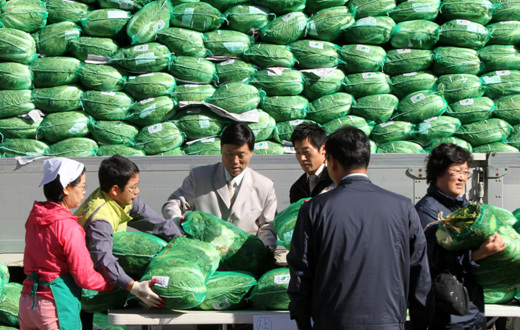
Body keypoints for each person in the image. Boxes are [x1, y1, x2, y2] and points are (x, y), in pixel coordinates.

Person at [287, 126, 431, 330]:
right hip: (388, 321)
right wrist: (419, 321)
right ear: (367, 161)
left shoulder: (314, 209)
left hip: (333, 322)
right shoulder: (403, 207)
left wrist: (302, 320)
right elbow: (419, 272)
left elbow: (301, 271)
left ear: (332, 162)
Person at [415, 143, 506, 329]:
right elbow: (433, 261)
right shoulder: (428, 212)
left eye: (465, 172)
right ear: (438, 172)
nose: (462, 178)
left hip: (470, 312)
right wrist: (477, 254)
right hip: (446, 316)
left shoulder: (466, 208)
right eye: (457, 171)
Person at [74, 154, 183, 308]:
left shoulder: (124, 199)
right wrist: (134, 287)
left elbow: (157, 224)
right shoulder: (99, 220)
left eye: (137, 185)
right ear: (115, 190)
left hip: (105, 272)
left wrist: (184, 240)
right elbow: (104, 260)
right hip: (85, 283)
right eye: (133, 187)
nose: (137, 191)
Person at [19, 157, 114, 330]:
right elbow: (84, 276)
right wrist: (114, 284)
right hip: (54, 306)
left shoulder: (34, 218)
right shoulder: (69, 227)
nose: (85, 191)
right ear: (66, 188)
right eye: (82, 186)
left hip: (27, 303)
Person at [162, 122, 278, 251]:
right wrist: (178, 221)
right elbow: (173, 203)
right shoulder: (200, 177)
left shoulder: (264, 186)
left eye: (241, 155)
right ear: (221, 150)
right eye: (229, 154)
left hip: (245, 259)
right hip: (205, 255)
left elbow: (267, 226)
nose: (235, 161)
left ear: (251, 152)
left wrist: (266, 250)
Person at [289, 122, 334, 204]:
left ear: (323, 149)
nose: (302, 158)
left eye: (306, 152)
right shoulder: (297, 188)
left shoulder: (335, 180)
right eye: (298, 152)